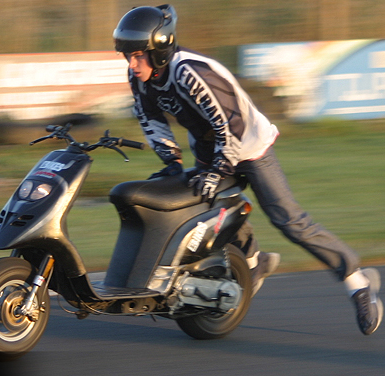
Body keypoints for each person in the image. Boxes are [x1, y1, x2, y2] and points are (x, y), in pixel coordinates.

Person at [113, 4, 383, 335]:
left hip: (250, 148)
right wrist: (172, 162)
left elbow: (231, 125)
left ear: (161, 50)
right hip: (212, 152)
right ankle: (253, 263)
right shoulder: (140, 78)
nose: (131, 63)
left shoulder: (190, 72)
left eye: (138, 55)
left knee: (290, 221)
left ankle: (358, 283)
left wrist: (216, 171)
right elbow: (150, 120)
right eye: (127, 55)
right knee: (206, 212)